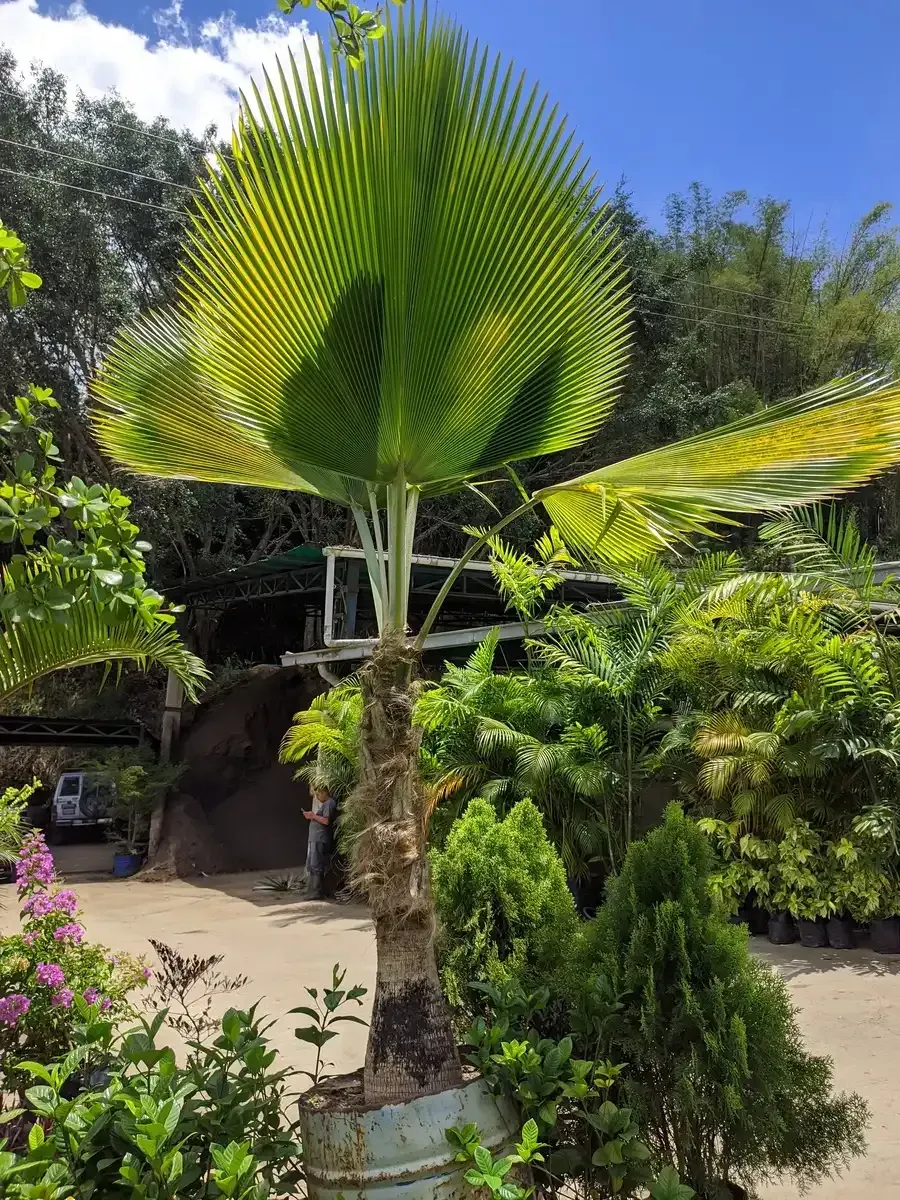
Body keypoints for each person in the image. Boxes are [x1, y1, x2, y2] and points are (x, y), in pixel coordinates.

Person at [302, 786, 337, 900]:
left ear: (324, 792)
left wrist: (313, 816)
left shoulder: (329, 803)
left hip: (320, 838)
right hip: (315, 838)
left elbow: (326, 820)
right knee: (312, 864)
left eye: (318, 794)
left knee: (317, 864)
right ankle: (313, 890)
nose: (317, 797)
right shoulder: (325, 804)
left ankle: (316, 892)